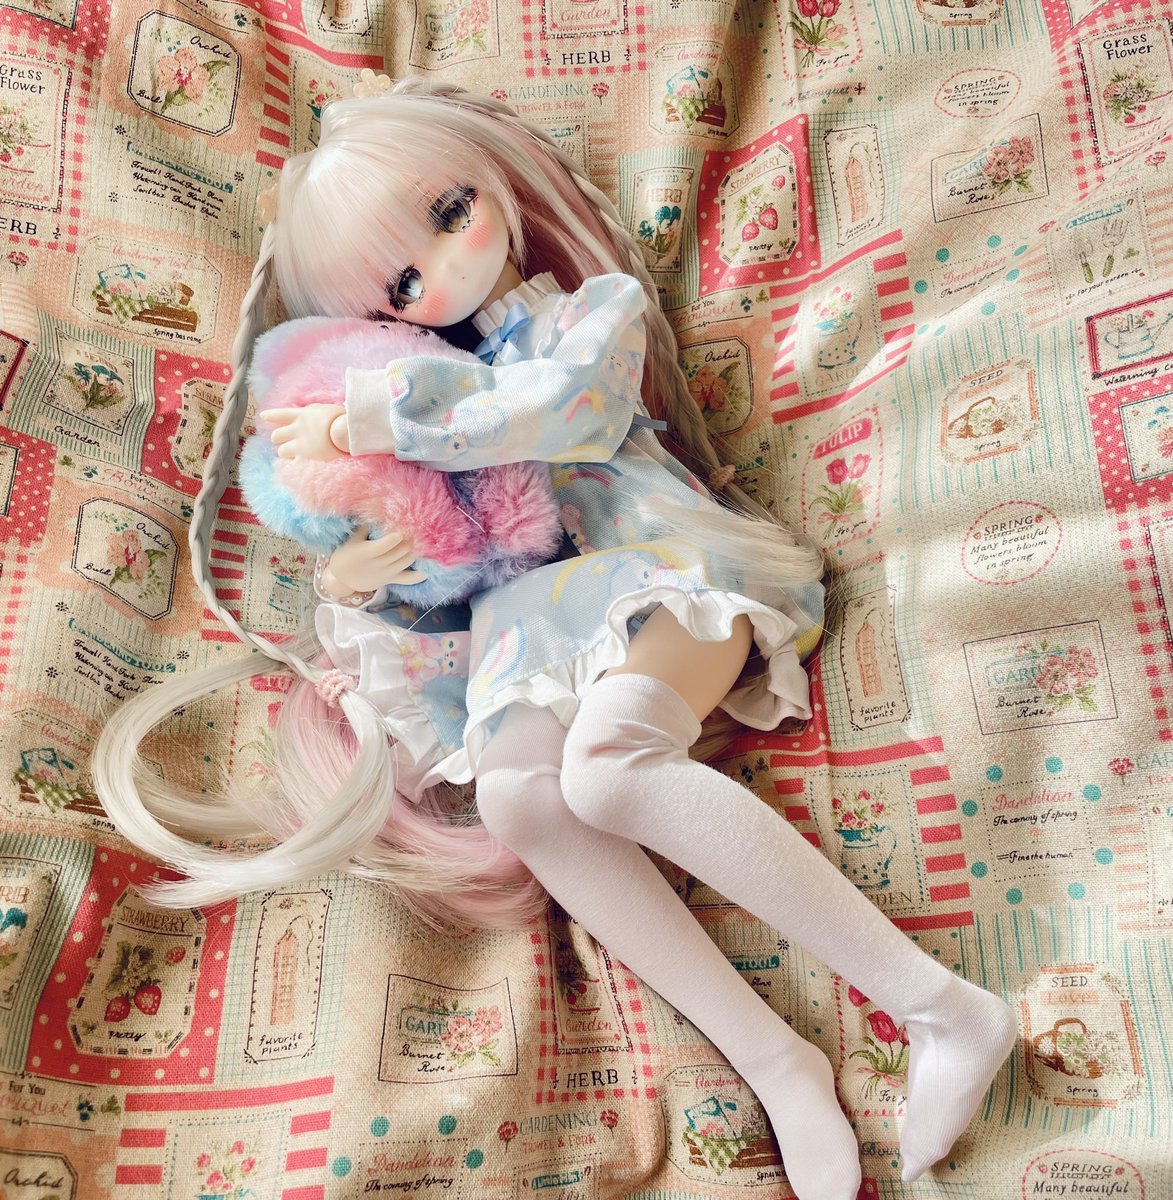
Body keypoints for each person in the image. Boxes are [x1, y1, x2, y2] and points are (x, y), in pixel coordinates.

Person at [95, 76, 1016, 1199]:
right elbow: (457, 569)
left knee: (609, 771)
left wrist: (374, 415)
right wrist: (360, 570)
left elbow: (563, 411)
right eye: (401, 285)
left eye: (452, 211)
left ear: (495, 185)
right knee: (522, 804)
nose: (445, 266)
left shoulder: (588, 317)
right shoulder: (432, 389)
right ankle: (777, 1062)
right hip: (538, 625)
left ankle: (942, 1007)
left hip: (671, 571)